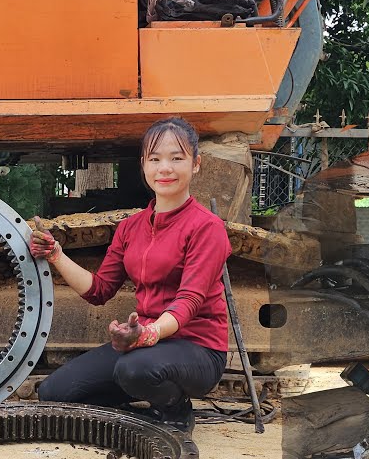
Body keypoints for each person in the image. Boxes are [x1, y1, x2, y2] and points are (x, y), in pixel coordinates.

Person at [29, 117, 232, 434]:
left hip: (198, 348)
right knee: (55, 393)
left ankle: (176, 411)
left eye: (177, 158)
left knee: (133, 368)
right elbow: (99, 290)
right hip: (144, 347)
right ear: (143, 165)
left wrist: (147, 334)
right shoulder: (130, 228)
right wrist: (56, 254)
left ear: (196, 164)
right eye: (155, 159)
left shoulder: (207, 227)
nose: (164, 168)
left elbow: (189, 300)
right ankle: (134, 415)